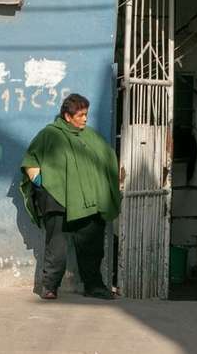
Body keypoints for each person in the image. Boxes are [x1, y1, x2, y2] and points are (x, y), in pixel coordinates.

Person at [20, 93, 121, 300]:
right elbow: (31, 161)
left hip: (88, 203)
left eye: (86, 114)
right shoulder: (49, 135)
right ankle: (49, 286)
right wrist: (43, 184)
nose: (85, 119)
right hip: (57, 201)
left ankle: (94, 286)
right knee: (56, 248)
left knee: (92, 248)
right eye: (81, 115)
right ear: (67, 116)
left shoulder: (91, 137)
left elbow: (107, 159)